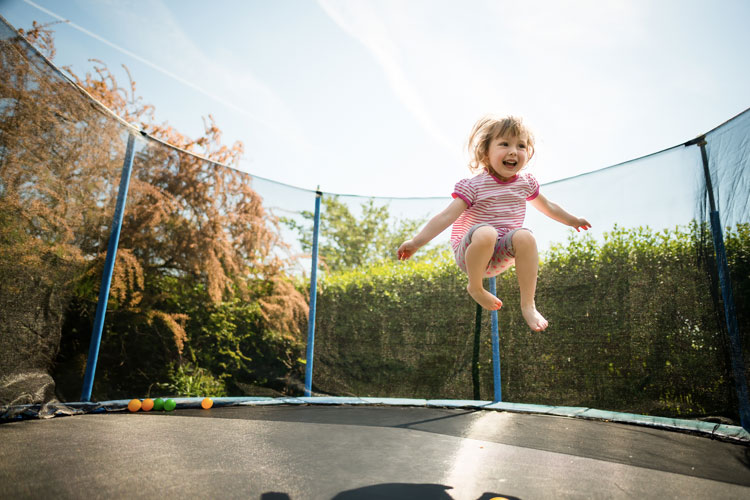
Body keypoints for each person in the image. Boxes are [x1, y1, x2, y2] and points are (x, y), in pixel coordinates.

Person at [397, 115, 591, 332]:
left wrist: (572, 220)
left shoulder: (525, 184)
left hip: (500, 255)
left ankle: (528, 305)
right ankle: (476, 286)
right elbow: (445, 217)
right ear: (485, 152)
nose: (513, 151)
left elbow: (549, 207)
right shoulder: (474, 186)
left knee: (525, 236)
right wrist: (416, 242)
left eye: (521, 145)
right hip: (470, 253)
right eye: (504, 144)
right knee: (486, 232)